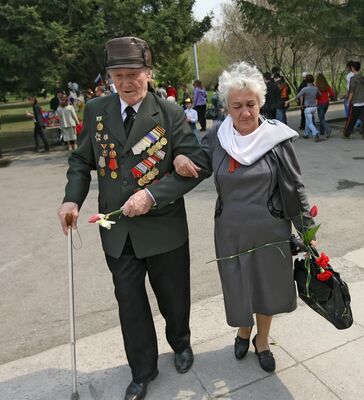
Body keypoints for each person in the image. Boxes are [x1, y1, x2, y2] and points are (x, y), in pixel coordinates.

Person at [57, 36, 211, 400]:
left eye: (134, 74)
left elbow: (198, 165)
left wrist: (153, 194)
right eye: (118, 75)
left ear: (149, 73)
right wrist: (70, 200)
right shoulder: (96, 110)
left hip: (163, 228)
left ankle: (180, 342)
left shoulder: (169, 113)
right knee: (130, 302)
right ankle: (142, 370)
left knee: (173, 297)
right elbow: (81, 161)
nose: (126, 83)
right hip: (118, 232)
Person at [174, 62, 315, 373]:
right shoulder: (215, 139)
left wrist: (307, 231)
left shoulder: (278, 139)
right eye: (236, 106)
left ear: (260, 102)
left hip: (270, 230)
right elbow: (192, 165)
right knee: (238, 286)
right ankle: (242, 330)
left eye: (250, 104)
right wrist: (179, 156)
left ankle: (261, 340)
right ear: (226, 107)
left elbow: (296, 187)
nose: (245, 112)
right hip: (230, 231)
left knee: (267, 287)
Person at [285, 74, 323, 142]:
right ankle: (305, 134)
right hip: (314, 107)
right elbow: (320, 95)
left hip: (307, 108)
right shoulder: (315, 88)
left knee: (310, 122)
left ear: (306, 81)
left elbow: (297, 96)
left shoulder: (305, 89)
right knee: (308, 121)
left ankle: (315, 133)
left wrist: (288, 101)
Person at [342, 61, 364, 139]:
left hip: (356, 101)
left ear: (353, 68)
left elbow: (351, 91)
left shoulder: (353, 79)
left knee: (352, 118)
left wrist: (348, 101)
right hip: (363, 100)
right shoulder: (363, 77)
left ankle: (347, 133)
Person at [315, 73, 335, 138]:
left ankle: (328, 129)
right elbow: (332, 93)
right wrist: (330, 97)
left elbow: (316, 95)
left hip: (320, 103)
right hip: (326, 103)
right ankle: (322, 131)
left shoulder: (317, 86)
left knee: (321, 118)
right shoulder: (327, 86)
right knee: (322, 117)